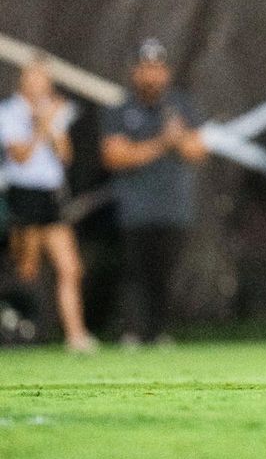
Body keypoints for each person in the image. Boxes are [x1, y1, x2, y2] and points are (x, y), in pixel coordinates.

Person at [101, 39, 207, 346]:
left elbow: (198, 151)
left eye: (157, 68)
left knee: (166, 274)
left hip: (173, 207)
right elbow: (114, 155)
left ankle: (160, 332)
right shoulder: (121, 109)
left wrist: (179, 137)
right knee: (134, 273)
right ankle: (133, 331)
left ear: (166, 72)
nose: (152, 76)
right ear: (135, 72)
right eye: (146, 68)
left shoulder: (180, 106)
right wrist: (162, 142)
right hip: (134, 208)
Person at [0, 56, 96, 352]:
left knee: (70, 267)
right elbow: (20, 156)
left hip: (50, 195)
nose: (41, 84)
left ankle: (76, 335)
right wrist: (41, 125)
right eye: (35, 78)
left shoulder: (55, 110)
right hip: (23, 194)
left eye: (45, 79)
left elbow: (65, 156)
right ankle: (18, 330)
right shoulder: (9, 111)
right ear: (24, 80)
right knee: (26, 268)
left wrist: (53, 126)